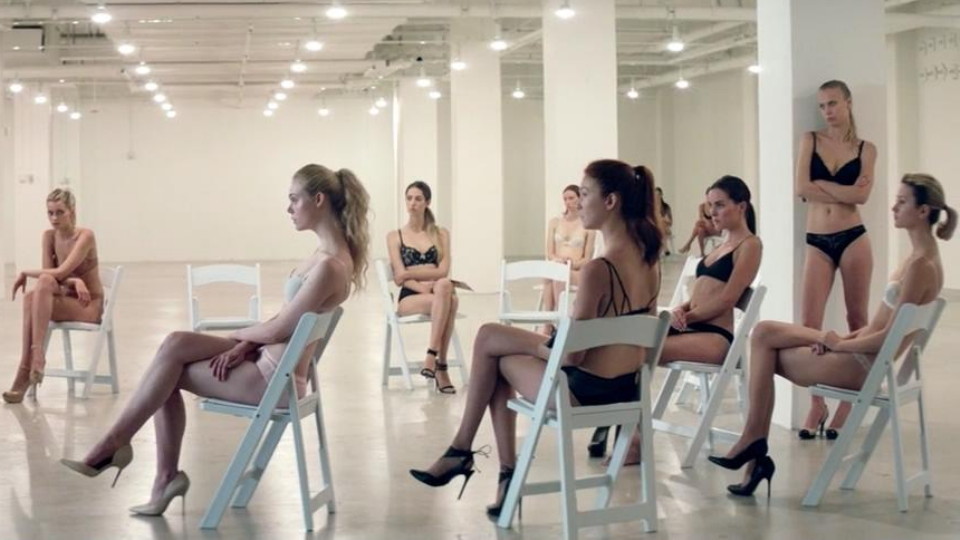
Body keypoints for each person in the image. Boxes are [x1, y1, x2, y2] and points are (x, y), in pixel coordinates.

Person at [60, 164, 370, 516]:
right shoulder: (322, 256)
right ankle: (125, 452)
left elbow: (278, 330)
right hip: (268, 359)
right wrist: (245, 345)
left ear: (319, 200)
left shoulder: (330, 266)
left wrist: (236, 336)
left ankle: (136, 460)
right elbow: (286, 321)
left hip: (275, 379)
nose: (289, 208)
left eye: (294, 199)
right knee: (174, 344)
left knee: (165, 374)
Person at [409, 160, 662, 518]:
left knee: (490, 342)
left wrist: (543, 343)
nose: (579, 202)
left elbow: (572, 357)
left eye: (585, 193)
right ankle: (482, 464)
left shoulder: (598, 270)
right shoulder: (651, 263)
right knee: (493, 345)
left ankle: (472, 454)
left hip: (580, 393)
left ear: (610, 201)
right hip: (624, 389)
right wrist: (550, 341)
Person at [710, 174, 954, 497]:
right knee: (764, 333)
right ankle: (753, 447)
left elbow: (886, 339)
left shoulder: (921, 266)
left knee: (763, 344)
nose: (893, 207)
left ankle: (753, 444)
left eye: (902, 201)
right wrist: (842, 340)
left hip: (860, 366)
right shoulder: (919, 260)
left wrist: (840, 344)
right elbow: (878, 327)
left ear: (923, 211)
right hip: (859, 355)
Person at [599, 176, 762, 463]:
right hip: (693, 328)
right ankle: (621, 428)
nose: (712, 212)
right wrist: (680, 310)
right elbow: (702, 293)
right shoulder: (720, 245)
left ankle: (631, 439)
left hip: (715, 338)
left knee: (637, 352)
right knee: (629, 343)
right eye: (710, 205)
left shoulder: (750, 245)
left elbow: (727, 299)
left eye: (720, 205)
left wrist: (686, 317)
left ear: (741, 206)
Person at [795, 80, 877, 440]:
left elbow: (863, 197)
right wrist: (844, 191)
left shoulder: (866, 149)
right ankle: (816, 403)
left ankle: (848, 401)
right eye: (822, 105)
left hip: (853, 238)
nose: (827, 111)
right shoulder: (810, 140)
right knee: (809, 326)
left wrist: (823, 187)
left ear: (848, 103)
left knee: (858, 320)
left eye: (832, 103)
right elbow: (801, 188)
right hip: (817, 240)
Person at [3, 189, 104, 404]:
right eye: (50, 213)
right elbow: (50, 278)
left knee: (35, 294)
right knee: (33, 294)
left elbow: (59, 273)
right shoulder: (49, 236)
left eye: (60, 212)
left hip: (89, 305)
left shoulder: (85, 236)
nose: (54, 218)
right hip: (67, 298)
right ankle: (34, 359)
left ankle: (29, 366)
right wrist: (74, 281)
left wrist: (25, 272)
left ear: (72, 211)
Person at [386, 181, 458, 394]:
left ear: (427, 202)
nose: (412, 203)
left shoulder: (441, 234)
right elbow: (399, 277)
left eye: (418, 199)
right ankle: (440, 366)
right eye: (409, 198)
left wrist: (410, 273)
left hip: (439, 290)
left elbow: (443, 270)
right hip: (411, 296)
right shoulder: (395, 236)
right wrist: (422, 286)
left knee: (444, 285)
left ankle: (431, 355)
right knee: (451, 301)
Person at [541, 184, 596, 334]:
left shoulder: (588, 226)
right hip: (557, 265)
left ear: (580, 199)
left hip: (576, 270)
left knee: (559, 276)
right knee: (549, 275)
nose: (568, 202)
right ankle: (548, 323)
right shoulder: (555, 222)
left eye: (571, 198)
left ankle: (559, 322)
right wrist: (558, 261)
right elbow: (550, 252)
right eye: (565, 199)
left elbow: (587, 259)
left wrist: (570, 264)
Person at [656, 187, 674, 256]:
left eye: (658, 195)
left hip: (665, 228)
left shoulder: (666, 207)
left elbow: (670, 222)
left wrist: (664, 219)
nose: (657, 197)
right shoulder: (651, 207)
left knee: (662, 223)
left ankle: (663, 248)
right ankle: (665, 248)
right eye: (655, 195)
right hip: (655, 227)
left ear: (661, 195)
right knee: (661, 223)